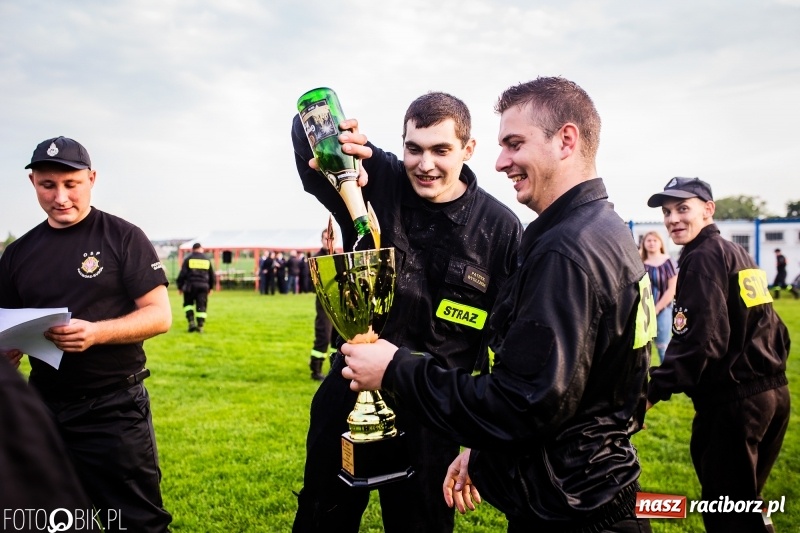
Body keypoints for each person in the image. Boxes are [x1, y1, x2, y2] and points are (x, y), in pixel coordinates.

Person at [341, 77, 654, 532]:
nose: (501, 161)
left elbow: (518, 404)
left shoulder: (565, 251)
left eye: (514, 143)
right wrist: (484, 448)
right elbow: (563, 390)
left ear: (566, 140)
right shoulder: (604, 229)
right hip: (588, 487)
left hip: (570, 510)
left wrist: (394, 369)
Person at [291, 92, 522, 532]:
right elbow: (307, 146)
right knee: (322, 517)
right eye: (413, 148)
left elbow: (506, 345)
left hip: (432, 415)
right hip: (349, 393)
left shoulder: (500, 228)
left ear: (468, 149)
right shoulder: (378, 178)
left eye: (441, 150)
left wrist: (478, 438)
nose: (425, 164)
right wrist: (333, 136)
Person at [0, 136, 173, 532]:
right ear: (32, 183)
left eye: (71, 184)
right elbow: (6, 321)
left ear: (91, 178)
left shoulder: (123, 237)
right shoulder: (18, 254)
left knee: (136, 520)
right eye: (48, 185)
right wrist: (8, 350)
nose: (60, 197)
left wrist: (96, 332)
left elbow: (159, 316)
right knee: (45, 518)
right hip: (42, 406)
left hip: (112, 407)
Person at [645, 177, 790, 532]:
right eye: (666, 212)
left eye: (683, 208)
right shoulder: (734, 252)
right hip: (772, 396)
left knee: (729, 516)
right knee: (747, 507)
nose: (672, 219)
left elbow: (701, 341)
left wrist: (650, 393)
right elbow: (775, 327)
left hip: (736, 406)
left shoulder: (702, 256)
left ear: (708, 210)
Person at [640, 231, 677, 363]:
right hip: (643, 311)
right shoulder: (640, 263)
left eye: (655, 240)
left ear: (660, 243)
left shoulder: (668, 262)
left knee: (663, 347)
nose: (651, 243)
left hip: (663, 309)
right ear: (643, 244)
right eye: (648, 240)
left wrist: (656, 309)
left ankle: (667, 379)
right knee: (642, 349)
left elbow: (672, 289)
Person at [177, 242, 215, 333]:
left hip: (190, 286)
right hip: (203, 287)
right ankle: (200, 326)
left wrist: (180, 286)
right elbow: (211, 275)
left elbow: (182, 274)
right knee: (201, 306)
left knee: (188, 305)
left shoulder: (188, 259)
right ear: (200, 249)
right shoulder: (207, 259)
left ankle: (191, 323)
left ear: (193, 249)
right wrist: (211, 287)